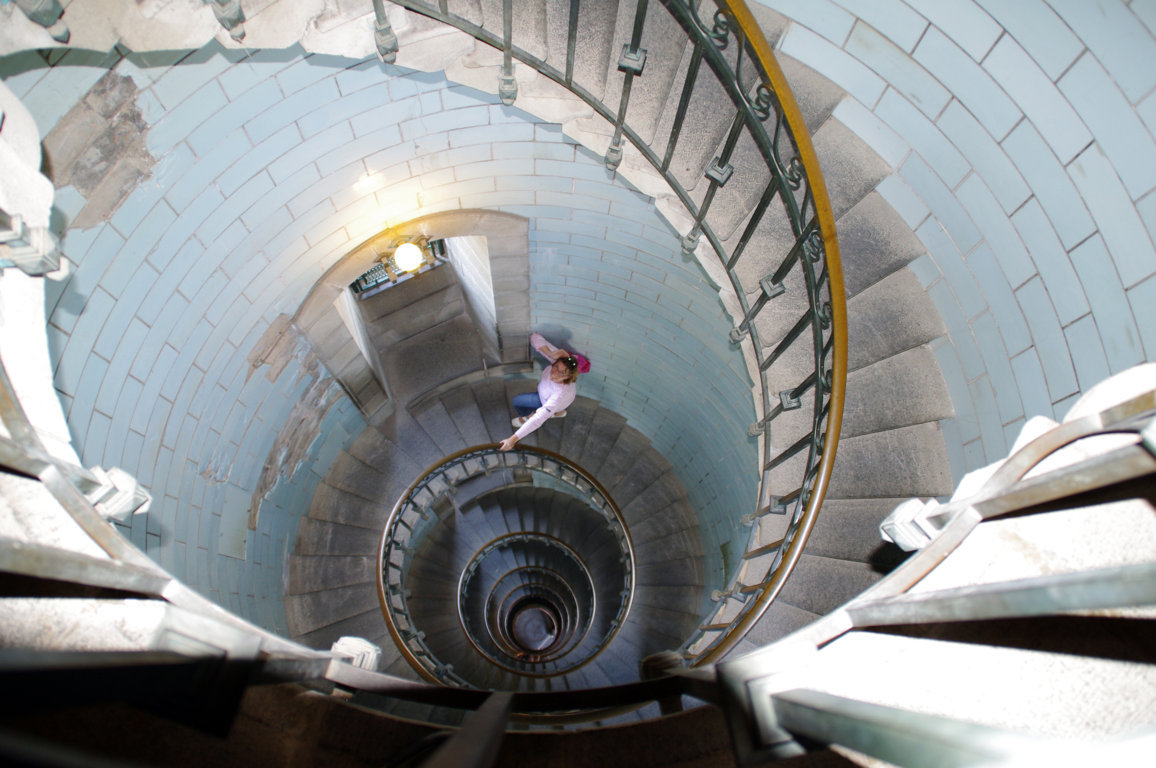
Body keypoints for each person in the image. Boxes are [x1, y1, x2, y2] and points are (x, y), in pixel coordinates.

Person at [498, 332, 590, 451]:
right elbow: (534, 337)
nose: (555, 372)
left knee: (518, 401)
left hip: (552, 401)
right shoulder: (556, 361)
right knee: (552, 408)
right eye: (556, 367)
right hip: (557, 400)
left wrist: (512, 440)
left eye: (562, 373)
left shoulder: (559, 394)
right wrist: (551, 353)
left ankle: (528, 416)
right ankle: (559, 412)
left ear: (568, 377)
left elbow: (538, 420)